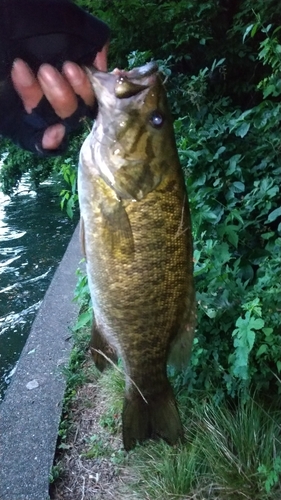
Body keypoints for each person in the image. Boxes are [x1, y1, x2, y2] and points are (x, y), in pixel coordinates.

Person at [0, 0, 110, 155]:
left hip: (73, 81)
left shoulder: (37, 11)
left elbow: (100, 34)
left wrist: (102, 92)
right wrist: (37, 140)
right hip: (43, 111)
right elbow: (11, 127)